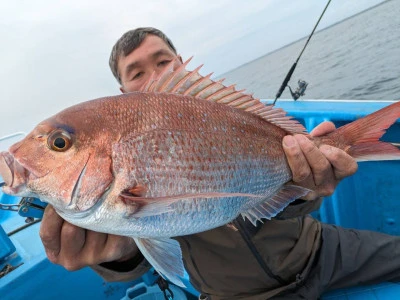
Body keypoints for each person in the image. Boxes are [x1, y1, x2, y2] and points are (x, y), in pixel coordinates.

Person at [39, 27, 400, 299]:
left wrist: (307, 188)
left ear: (181, 65)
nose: (154, 77)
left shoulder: (232, 117)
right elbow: (136, 253)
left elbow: (290, 199)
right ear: (122, 96)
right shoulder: (120, 159)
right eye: (136, 73)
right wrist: (115, 257)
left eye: (163, 62)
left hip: (320, 250)